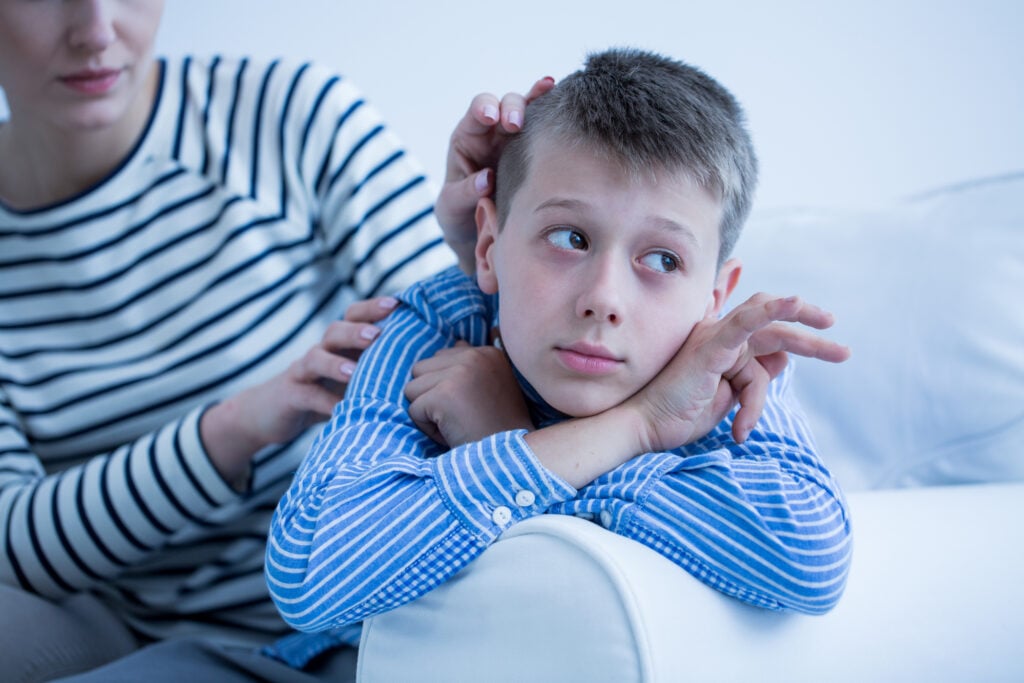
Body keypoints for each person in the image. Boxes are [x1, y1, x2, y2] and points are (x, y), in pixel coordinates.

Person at [0, 1, 549, 681]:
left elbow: (477, 371)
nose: (96, 29)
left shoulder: (288, 116)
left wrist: (471, 256)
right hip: (111, 618)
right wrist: (238, 425)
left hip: (359, 610)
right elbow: (10, 541)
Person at [265, 45, 855, 659]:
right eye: (571, 238)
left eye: (662, 259)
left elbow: (807, 558)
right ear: (489, 245)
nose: (604, 299)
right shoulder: (439, 326)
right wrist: (635, 427)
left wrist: (514, 441)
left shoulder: (723, 362)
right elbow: (310, 574)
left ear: (713, 297)